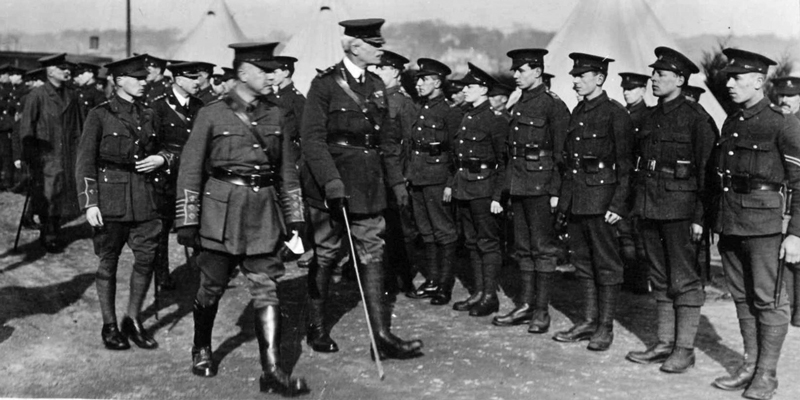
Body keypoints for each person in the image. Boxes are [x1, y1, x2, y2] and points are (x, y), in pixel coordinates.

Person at [175, 42, 309, 396]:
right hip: (220, 213)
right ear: (244, 72)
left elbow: (287, 171)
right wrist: (187, 220)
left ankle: (272, 371)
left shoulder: (276, 114)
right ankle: (201, 348)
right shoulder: (212, 114)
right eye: (265, 71)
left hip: (263, 212)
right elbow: (190, 169)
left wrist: (295, 217)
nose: (271, 77)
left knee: (267, 287)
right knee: (212, 286)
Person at [300, 18, 423, 359]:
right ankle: (316, 327)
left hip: (369, 184)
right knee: (326, 254)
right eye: (375, 45)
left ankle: (380, 336)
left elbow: (387, 140)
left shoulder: (377, 85)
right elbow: (312, 140)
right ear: (355, 46)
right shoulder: (324, 85)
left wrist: (396, 182)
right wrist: (331, 181)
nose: (381, 50)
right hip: (332, 184)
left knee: (373, 251)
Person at [710, 49, 800, 400]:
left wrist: (796, 233)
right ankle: (749, 365)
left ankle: (766, 374)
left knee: (769, 300)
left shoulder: (782, 123)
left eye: (737, 78)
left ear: (759, 81)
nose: (729, 84)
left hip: (765, 226)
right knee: (741, 297)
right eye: (729, 78)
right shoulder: (732, 121)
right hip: (731, 221)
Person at [624, 47, 716, 373]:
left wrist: (700, 219)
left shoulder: (697, 119)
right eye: (653, 73)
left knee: (685, 280)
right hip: (649, 206)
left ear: (679, 79)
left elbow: (707, 174)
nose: (653, 79)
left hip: (681, 210)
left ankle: (684, 349)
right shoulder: (649, 117)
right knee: (659, 277)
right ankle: (664, 342)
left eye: (660, 74)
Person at [75, 54, 169, 351]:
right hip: (110, 199)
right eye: (137, 78)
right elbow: (85, 161)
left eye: (145, 77)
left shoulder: (149, 113)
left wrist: (162, 159)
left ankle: (133, 319)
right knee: (108, 262)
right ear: (118, 81)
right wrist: (90, 203)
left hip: (145, 198)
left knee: (146, 259)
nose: (144, 82)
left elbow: (167, 147)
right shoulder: (100, 115)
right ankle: (109, 325)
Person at [552, 53, 633, 352]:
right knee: (582, 262)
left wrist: (617, 205)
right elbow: (570, 163)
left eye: (581, 76)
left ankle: (605, 326)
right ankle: (588, 320)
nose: (575, 81)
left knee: (606, 264)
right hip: (578, 199)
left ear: (599, 78)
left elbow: (625, 165)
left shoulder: (615, 114)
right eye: (574, 76)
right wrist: (564, 203)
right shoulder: (578, 111)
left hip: (602, 202)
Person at [492, 49, 569, 333]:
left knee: (543, 249)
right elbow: (511, 152)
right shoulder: (519, 103)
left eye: (521, 70)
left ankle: (541, 311)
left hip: (541, 186)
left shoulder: (553, 105)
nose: (515, 75)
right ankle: (525, 305)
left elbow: (561, 154)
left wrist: (555, 192)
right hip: (519, 185)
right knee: (523, 248)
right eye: (515, 70)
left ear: (537, 72)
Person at [448, 62, 508, 317]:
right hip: (465, 186)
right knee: (472, 242)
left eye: (470, 87)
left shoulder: (495, 120)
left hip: (485, 188)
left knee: (488, 242)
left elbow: (503, 161)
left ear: (483, 89)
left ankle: (490, 296)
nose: (465, 90)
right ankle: (479, 292)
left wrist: (497, 196)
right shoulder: (467, 116)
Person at [405, 57, 462, 304]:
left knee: (444, 231)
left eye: (424, 80)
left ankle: (444, 285)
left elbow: (457, 152)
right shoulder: (421, 108)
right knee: (426, 231)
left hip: (438, 177)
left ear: (437, 82)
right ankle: (432, 279)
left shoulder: (449, 112)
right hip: (418, 176)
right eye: (418, 80)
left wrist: (450, 182)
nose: (418, 84)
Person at [150, 61, 209, 292]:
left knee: (197, 221)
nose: (198, 82)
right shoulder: (158, 106)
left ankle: (201, 271)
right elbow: (153, 143)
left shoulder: (200, 106)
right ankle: (162, 274)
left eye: (198, 77)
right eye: (192, 78)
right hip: (167, 176)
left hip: (194, 175)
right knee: (163, 228)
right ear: (178, 79)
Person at [18, 53, 83, 252]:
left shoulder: (72, 95)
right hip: (46, 153)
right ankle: (48, 232)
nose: (67, 71)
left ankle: (54, 227)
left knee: (63, 193)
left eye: (68, 68)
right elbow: (27, 128)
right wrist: (30, 156)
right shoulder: (37, 95)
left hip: (68, 153)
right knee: (49, 193)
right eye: (62, 68)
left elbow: (79, 126)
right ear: (50, 71)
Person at [372, 49, 420, 295]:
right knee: (383, 226)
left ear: (395, 72)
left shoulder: (403, 102)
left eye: (382, 68)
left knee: (402, 228)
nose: (377, 72)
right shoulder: (375, 98)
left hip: (397, 173)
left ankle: (406, 278)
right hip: (377, 172)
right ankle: (389, 277)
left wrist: (405, 176)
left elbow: (411, 143)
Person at [616, 71, 652, 294]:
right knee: (624, 233)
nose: (626, 93)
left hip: (638, 182)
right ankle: (629, 278)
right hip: (623, 181)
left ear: (642, 90)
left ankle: (642, 279)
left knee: (639, 234)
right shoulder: (621, 114)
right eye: (624, 89)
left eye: (631, 89)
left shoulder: (648, 116)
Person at [773, 76, 800, 328]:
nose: (784, 100)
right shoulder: (776, 123)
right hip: (785, 196)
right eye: (781, 95)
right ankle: (789, 305)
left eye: (790, 96)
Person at [0, 65, 26, 190]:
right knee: (6, 153)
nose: (11, 77)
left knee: (14, 153)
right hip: (7, 125)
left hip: (13, 125)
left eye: (13, 75)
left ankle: (16, 180)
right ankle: (9, 179)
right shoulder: (12, 90)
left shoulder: (21, 90)